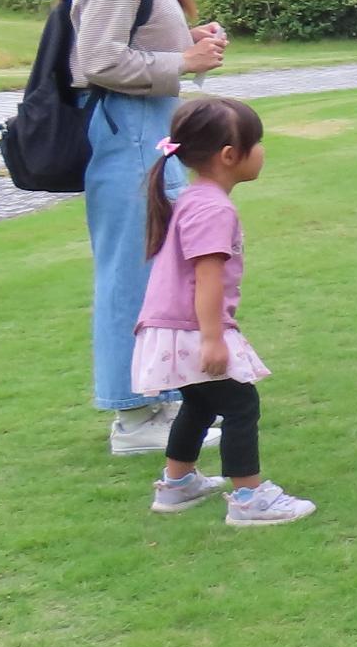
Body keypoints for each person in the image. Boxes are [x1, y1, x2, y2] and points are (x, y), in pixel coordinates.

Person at [69, 0, 230, 454]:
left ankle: (155, 402)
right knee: (129, 275)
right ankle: (134, 418)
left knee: (153, 269)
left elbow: (131, 48)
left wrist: (190, 48)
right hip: (127, 133)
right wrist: (182, 65)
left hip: (148, 132)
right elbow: (96, 63)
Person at [132, 96, 315, 526]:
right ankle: (249, 498)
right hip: (192, 329)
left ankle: (177, 485)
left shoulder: (195, 198)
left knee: (198, 402)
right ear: (230, 156)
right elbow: (208, 277)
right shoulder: (213, 207)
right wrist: (213, 338)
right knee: (239, 403)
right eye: (259, 142)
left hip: (171, 327)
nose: (263, 151)